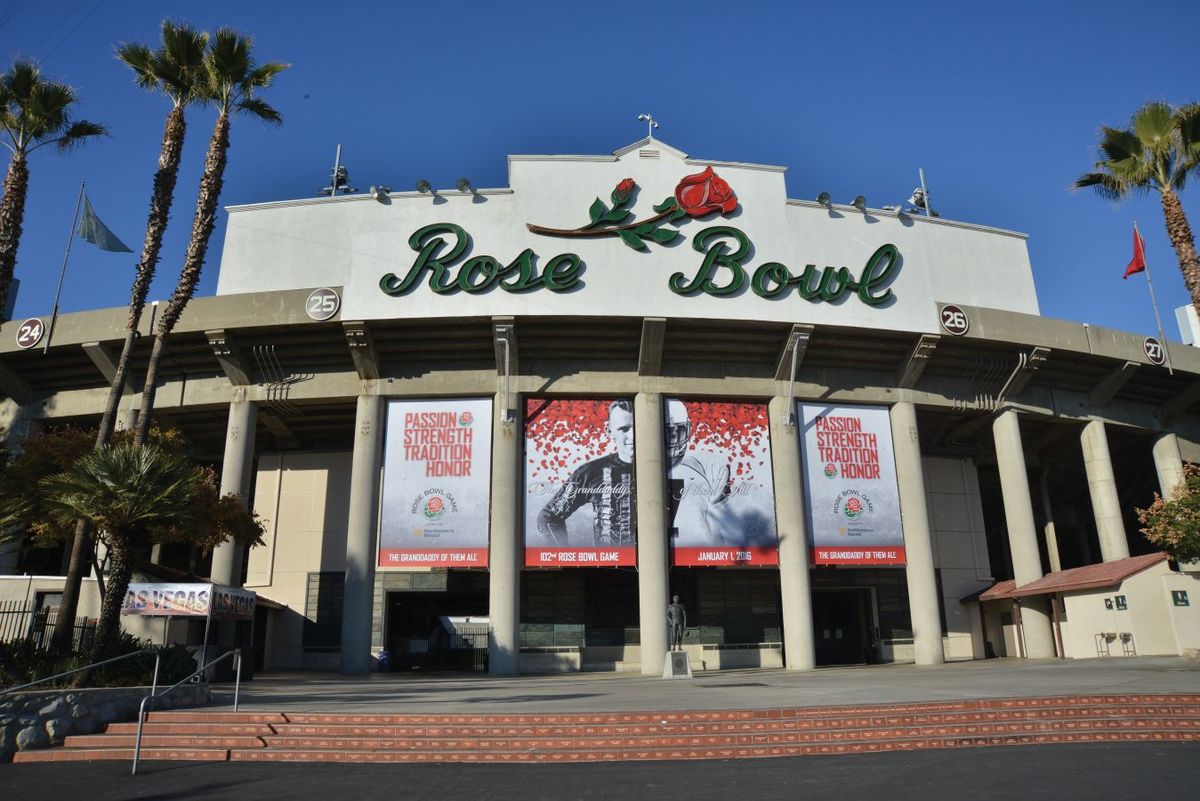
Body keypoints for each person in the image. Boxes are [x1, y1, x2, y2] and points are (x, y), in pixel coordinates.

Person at [537, 399, 635, 547]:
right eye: (624, 428)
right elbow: (548, 517)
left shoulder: (671, 469)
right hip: (609, 567)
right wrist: (564, 558)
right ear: (609, 431)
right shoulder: (592, 472)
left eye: (639, 427)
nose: (633, 436)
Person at [666, 399, 737, 545]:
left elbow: (719, 523)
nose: (672, 438)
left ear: (687, 429)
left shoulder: (705, 466)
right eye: (667, 432)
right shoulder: (631, 468)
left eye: (676, 431)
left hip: (700, 552)